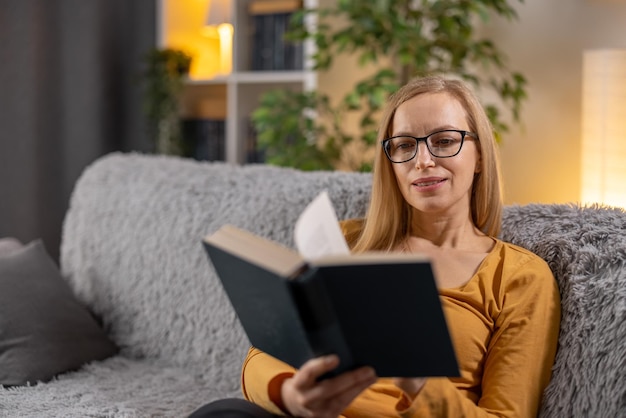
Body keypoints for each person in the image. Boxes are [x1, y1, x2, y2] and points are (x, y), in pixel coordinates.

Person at [189, 75, 561, 418]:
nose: (424, 160)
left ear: (479, 154)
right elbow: (263, 355)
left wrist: (418, 381)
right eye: (404, 146)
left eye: (445, 141)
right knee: (224, 413)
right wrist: (292, 394)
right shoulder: (347, 243)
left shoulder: (519, 278)